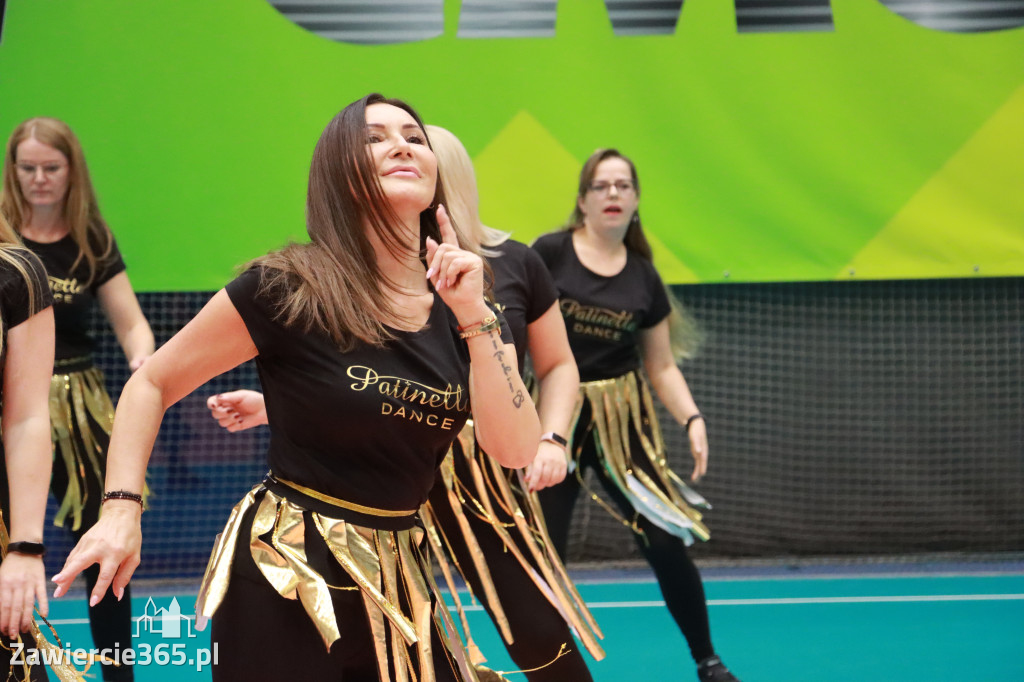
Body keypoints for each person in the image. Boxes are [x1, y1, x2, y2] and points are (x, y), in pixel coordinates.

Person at [52, 94, 541, 682]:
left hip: (401, 579)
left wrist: (475, 317)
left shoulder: (469, 301)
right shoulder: (288, 285)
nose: (402, 144)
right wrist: (119, 513)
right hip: (285, 571)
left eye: (413, 135)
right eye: (375, 137)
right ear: (342, 175)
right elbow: (152, 381)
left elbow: (514, 450)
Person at [206, 124, 601, 681]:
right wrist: (276, 403)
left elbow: (555, 366)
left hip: (479, 477)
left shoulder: (510, 263)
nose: (403, 153)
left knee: (533, 623)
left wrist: (552, 438)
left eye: (418, 146)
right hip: (389, 488)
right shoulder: (352, 273)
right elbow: (367, 381)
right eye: (384, 144)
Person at [533, 149, 741, 682]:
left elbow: (662, 365)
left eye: (623, 185)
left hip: (623, 424)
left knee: (665, 539)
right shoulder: (550, 254)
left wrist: (693, 419)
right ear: (582, 200)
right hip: (557, 418)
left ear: (636, 201)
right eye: (601, 186)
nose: (613, 194)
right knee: (543, 551)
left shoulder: (644, 278)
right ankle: (550, 669)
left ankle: (708, 660)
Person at [1, 117, 154, 682]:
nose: (39, 179)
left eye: (52, 168)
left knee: (104, 549)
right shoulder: (4, 240)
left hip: (80, 408)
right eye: (28, 168)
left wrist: (144, 359)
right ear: (12, 172)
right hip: (13, 404)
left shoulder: (91, 238)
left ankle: (119, 672)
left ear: (72, 172)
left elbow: (133, 325)